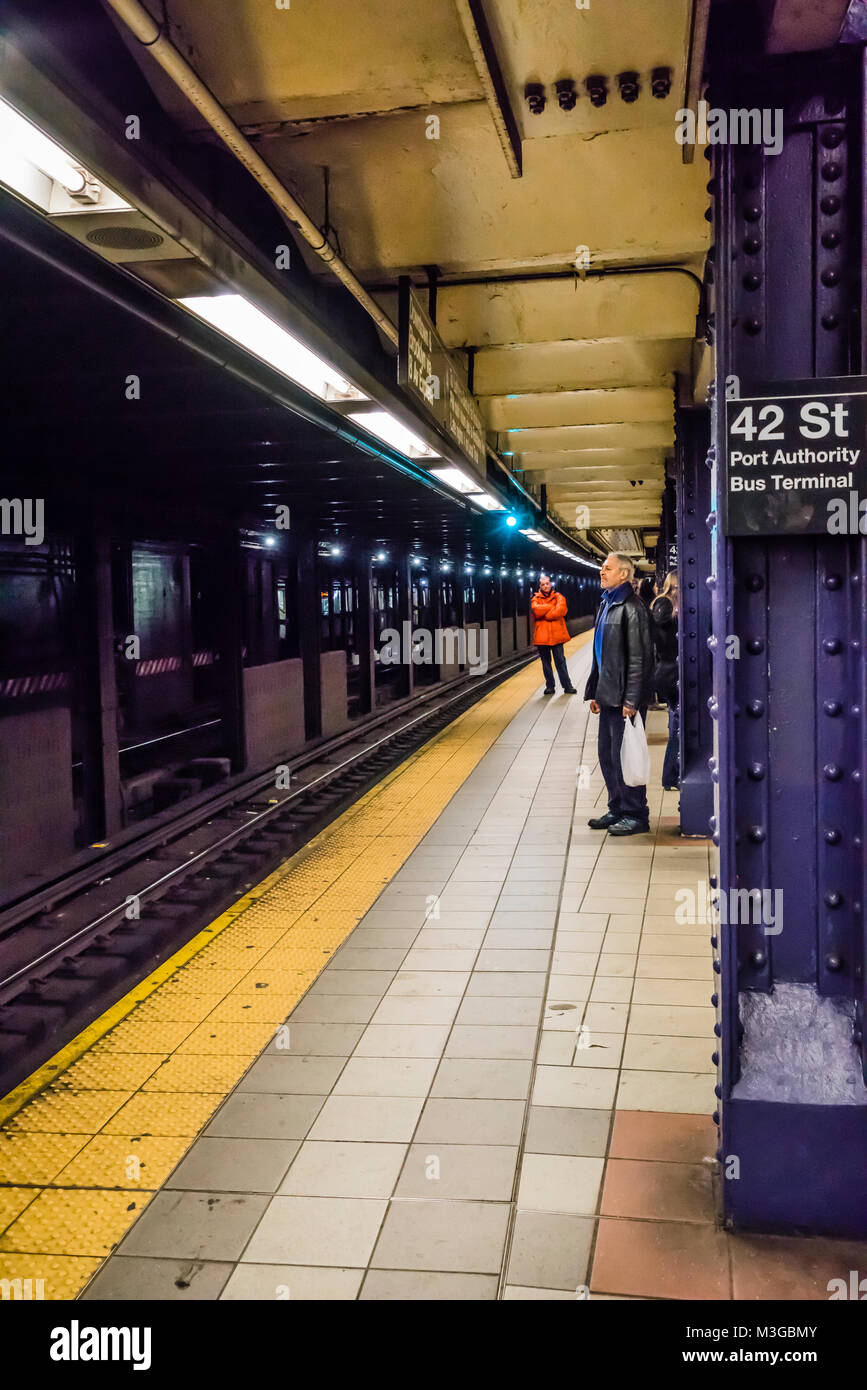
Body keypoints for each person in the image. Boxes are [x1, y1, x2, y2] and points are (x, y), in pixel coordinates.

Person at [584, 552, 654, 835]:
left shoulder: (632, 608)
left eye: (608, 568)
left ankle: (636, 814)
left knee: (626, 755)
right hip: (608, 694)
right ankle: (617, 808)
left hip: (625, 697)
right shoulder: (606, 604)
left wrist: (632, 700)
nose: (602, 572)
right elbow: (599, 654)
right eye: (602, 568)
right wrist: (594, 692)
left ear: (624, 574)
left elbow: (640, 658)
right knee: (608, 755)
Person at [650, 570, 680, 791]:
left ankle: (672, 775)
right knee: (679, 726)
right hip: (671, 673)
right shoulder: (667, 605)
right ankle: (671, 775)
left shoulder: (663, 603)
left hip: (667, 672)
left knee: (676, 724)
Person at [531, 572, 577, 694]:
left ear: (551, 584)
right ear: (539, 586)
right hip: (542, 637)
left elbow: (560, 610)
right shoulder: (535, 598)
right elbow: (536, 610)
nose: (545, 586)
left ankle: (567, 686)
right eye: (542, 584)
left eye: (547, 583)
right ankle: (550, 687)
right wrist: (551, 606)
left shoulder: (559, 597)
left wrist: (546, 611)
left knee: (560, 662)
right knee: (546, 664)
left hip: (557, 636)